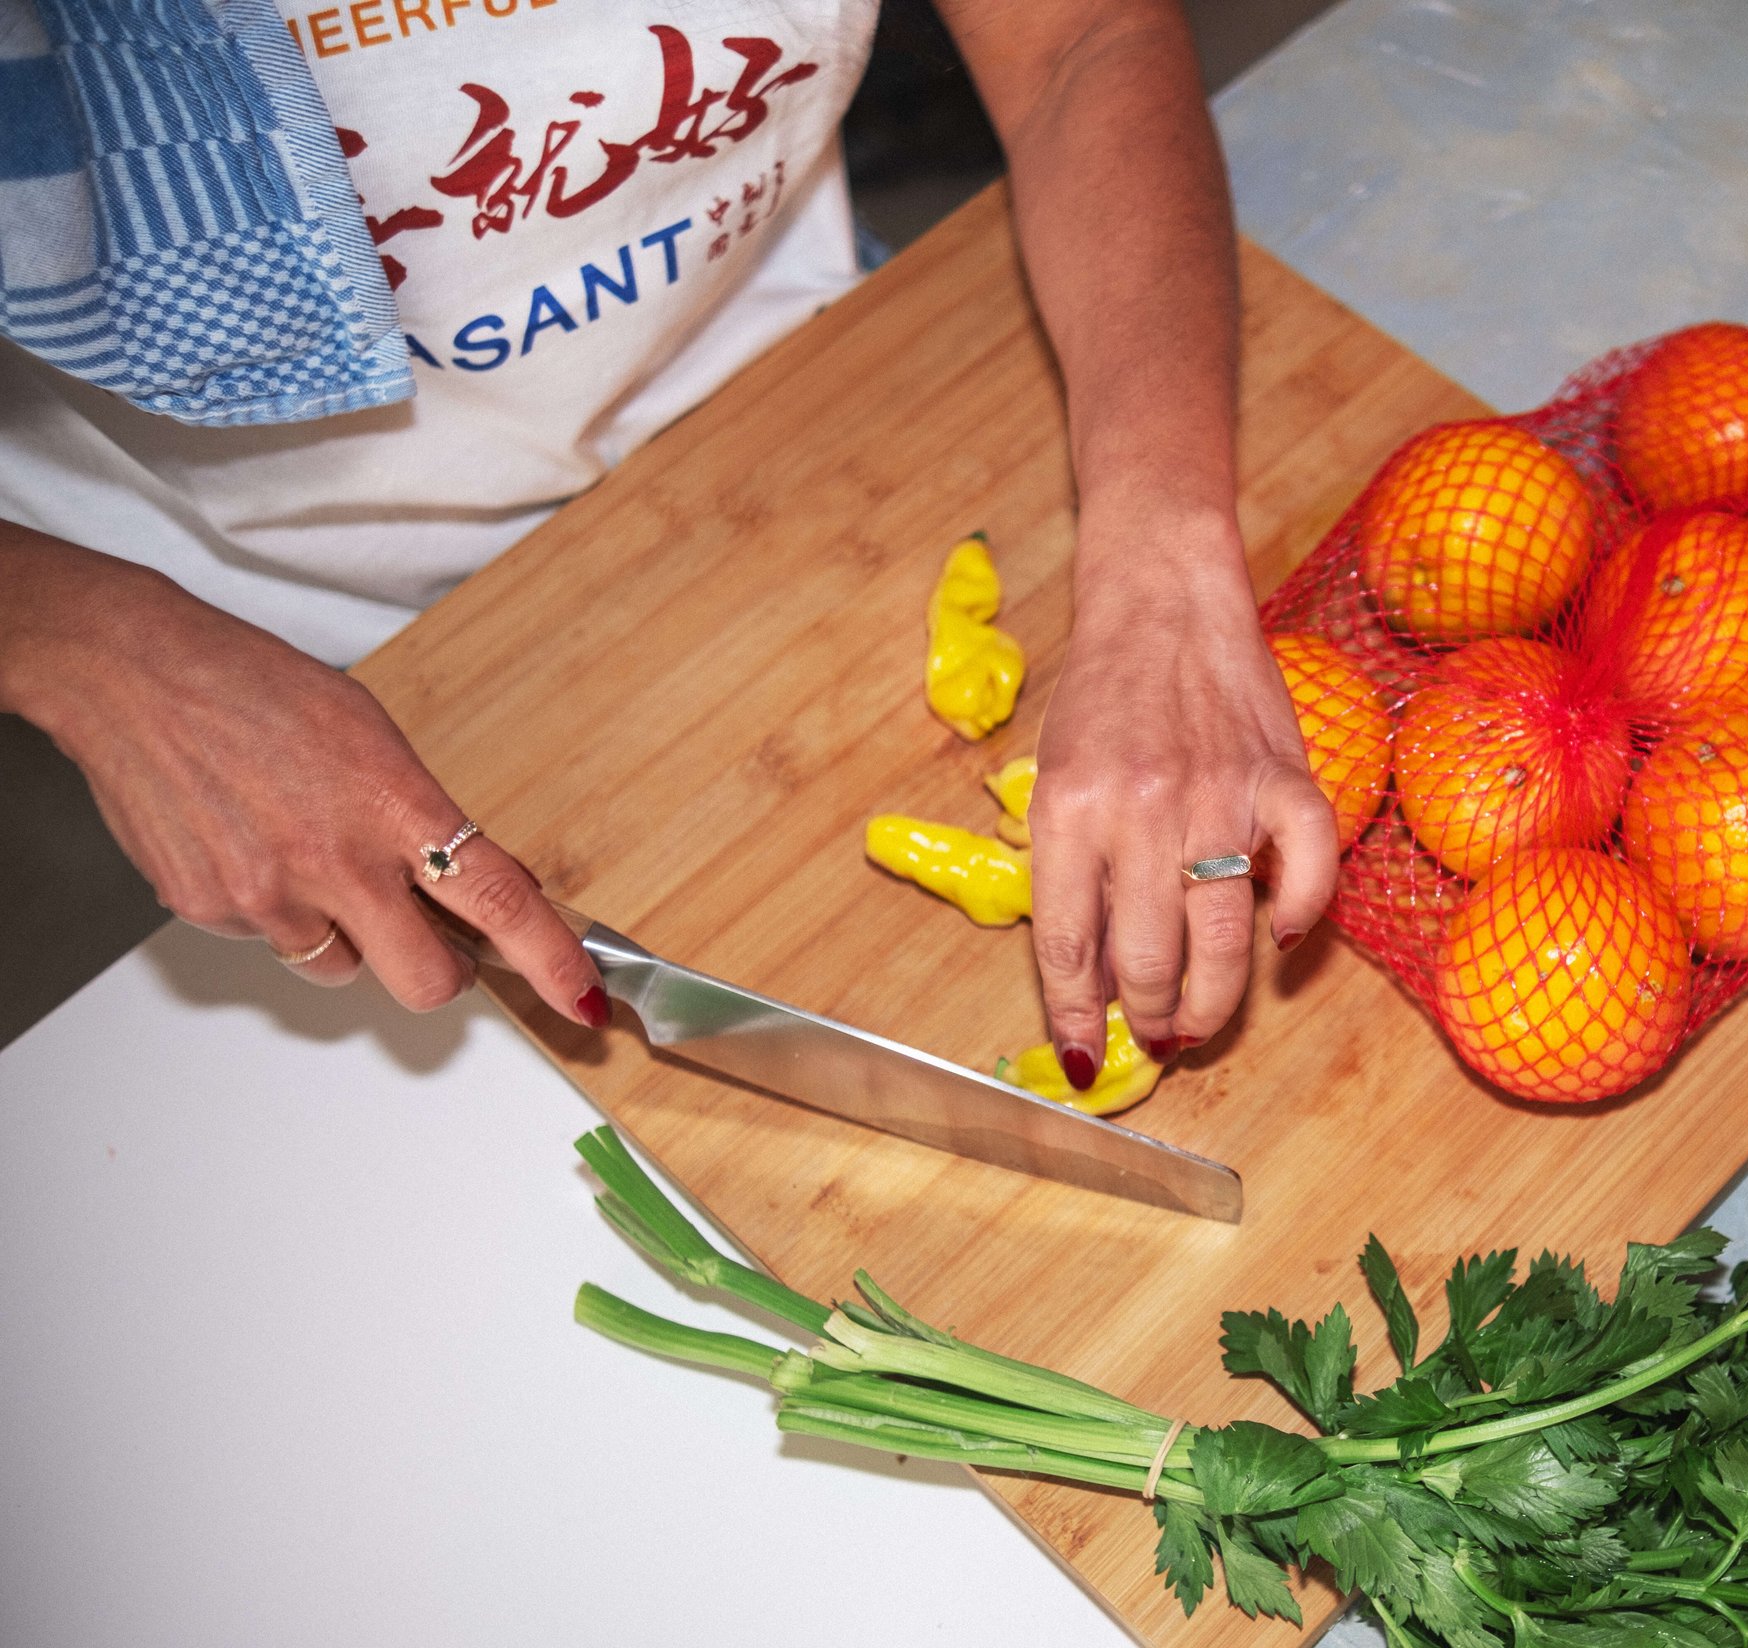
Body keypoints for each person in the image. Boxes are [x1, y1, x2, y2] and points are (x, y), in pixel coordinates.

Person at [0, 0, 1338, 1091]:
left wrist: (1167, 569)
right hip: (247, 596)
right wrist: (94, 651)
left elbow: (1077, 37)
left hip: (789, 407)